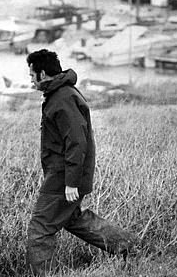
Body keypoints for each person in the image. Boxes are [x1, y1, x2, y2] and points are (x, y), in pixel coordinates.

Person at [25, 49, 135, 275]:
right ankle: (131, 247)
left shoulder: (63, 98)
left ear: (42, 74)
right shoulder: (59, 95)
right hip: (62, 175)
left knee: (40, 229)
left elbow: (76, 143)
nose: (30, 80)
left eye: (31, 75)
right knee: (74, 219)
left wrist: (71, 182)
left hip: (62, 176)